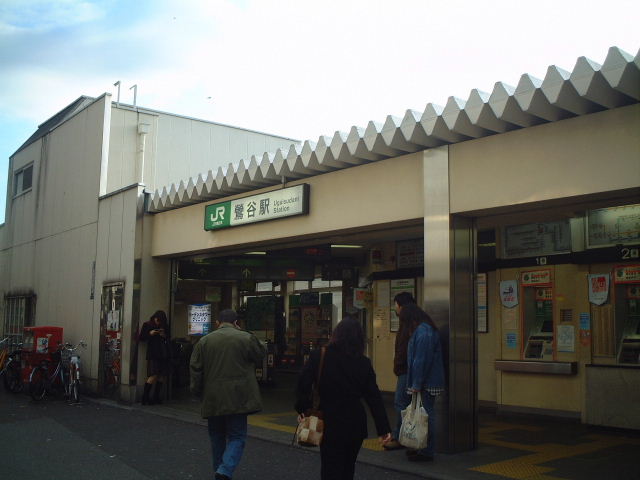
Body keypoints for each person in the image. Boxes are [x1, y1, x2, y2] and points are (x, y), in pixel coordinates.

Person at [295, 316, 392, 480]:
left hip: (328, 422)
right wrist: (383, 429)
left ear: (336, 334)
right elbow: (374, 398)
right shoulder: (364, 363)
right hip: (355, 424)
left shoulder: (319, 355)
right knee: (348, 467)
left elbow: (302, 384)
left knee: (330, 468)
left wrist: (303, 409)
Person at [190, 309, 265, 480]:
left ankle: (220, 469)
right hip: (239, 397)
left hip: (213, 397)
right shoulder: (245, 338)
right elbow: (260, 352)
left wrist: (197, 391)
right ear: (236, 322)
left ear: (217, 323)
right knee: (237, 436)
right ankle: (224, 470)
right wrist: (244, 332)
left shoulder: (204, 341)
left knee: (216, 435)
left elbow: (196, 369)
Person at [405, 305, 445, 462]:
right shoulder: (426, 329)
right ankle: (421, 447)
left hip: (426, 382)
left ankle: (427, 451)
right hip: (427, 380)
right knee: (423, 415)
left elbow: (421, 360)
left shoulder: (423, 332)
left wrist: (416, 383)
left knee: (426, 416)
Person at [384, 292, 417, 451]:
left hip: (406, 370)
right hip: (410, 369)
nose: (394, 308)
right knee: (410, 405)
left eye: (395, 304)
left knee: (401, 403)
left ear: (401, 305)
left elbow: (403, 349)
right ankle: (409, 436)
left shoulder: (407, 323)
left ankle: (400, 437)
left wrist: (398, 365)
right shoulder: (415, 321)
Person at [139, 310, 171, 405]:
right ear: (154, 317)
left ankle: (156, 397)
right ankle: (145, 398)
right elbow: (141, 338)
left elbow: (168, 337)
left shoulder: (164, 326)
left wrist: (163, 335)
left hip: (164, 354)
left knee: (162, 376)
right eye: (157, 320)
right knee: (153, 375)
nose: (158, 322)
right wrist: (150, 333)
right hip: (153, 354)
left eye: (160, 321)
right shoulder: (147, 325)